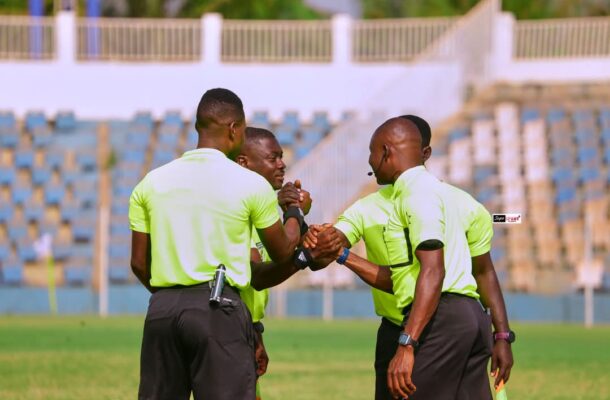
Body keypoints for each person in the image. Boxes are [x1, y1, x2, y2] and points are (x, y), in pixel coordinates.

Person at [307, 116, 513, 399]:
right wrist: (502, 335)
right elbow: (478, 273)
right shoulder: (463, 202)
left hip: (432, 322)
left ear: (385, 152)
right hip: (467, 319)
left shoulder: (417, 195)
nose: (369, 162)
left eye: (371, 152)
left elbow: (433, 273)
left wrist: (406, 344)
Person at [129, 88, 304, 400]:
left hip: (161, 310)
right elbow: (282, 252)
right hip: (217, 307)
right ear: (234, 129)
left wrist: (172, 296)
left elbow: (139, 263)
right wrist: (294, 211)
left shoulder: (150, 183)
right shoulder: (250, 184)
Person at [235, 127, 313, 397]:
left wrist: (257, 333)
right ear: (243, 162)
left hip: (244, 327)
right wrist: (294, 212)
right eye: (273, 158)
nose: (282, 164)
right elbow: (256, 275)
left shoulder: (265, 207)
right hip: (224, 326)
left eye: (281, 157)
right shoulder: (236, 208)